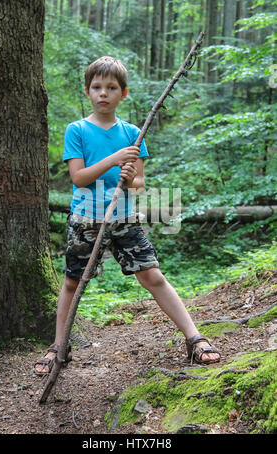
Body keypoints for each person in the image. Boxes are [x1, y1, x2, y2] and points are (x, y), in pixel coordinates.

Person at [34, 56, 220, 375]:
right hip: (85, 221)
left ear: (124, 93)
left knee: (152, 275)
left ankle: (195, 338)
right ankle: (58, 347)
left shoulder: (134, 132)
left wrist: (130, 173)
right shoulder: (77, 130)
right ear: (87, 91)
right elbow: (78, 177)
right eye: (96, 87)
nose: (103, 93)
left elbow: (139, 184)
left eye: (111, 88)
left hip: (124, 219)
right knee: (71, 283)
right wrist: (114, 159)